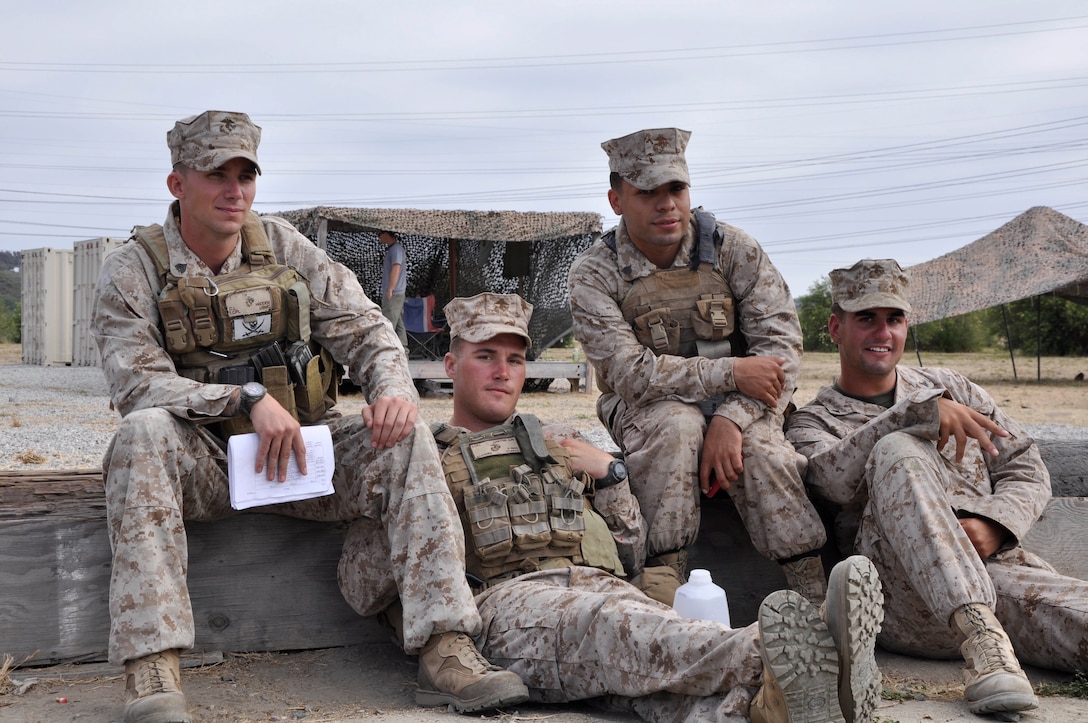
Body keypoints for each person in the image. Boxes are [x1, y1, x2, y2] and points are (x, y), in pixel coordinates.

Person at [91, 110, 528, 723]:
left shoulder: (285, 246)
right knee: (140, 436)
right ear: (177, 184)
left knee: (408, 439)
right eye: (216, 174)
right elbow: (137, 383)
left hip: (302, 455)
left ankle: (445, 647)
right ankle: (152, 668)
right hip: (207, 460)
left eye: (245, 174)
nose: (233, 190)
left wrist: (392, 390)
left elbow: (367, 327)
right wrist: (242, 400)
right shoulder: (132, 269)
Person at [348, 291, 886, 723]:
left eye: (514, 359)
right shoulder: (421, 462)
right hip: (503, 611)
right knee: (611, 628)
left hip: (601, 588)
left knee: (655, 693)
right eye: (484, 356)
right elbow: (361, 584)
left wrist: (610, 476)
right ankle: (796, 648)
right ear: (449, 364)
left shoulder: (557, 444)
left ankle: (773, 707)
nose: (502, 372)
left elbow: (629, 554)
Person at [785, 258, 1088, 716]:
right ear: (835, 327)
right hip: (901, 602)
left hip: (994, 576)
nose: (882, 333)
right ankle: (981, 642)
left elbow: (1024, 463)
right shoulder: (814, 421)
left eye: (894, 319)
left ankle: (991, 644)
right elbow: (832, 481)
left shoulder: (950, 386)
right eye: (866, 318)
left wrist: (995, 524)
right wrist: (915, 414)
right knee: (896, 449)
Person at [567, 128, 829, 604]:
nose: (666, 204)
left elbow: (781, 353)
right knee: (676, 424)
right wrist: (730, 372)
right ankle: (666, 582)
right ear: (617, 199)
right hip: (648, 407)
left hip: (747, 403)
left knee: (763, 452)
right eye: (647, 192)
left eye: (676, 189)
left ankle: (812, 589)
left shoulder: (734, 250)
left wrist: (730, 417)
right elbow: (632, 375)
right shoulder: (595, 273)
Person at [379, 230, 408, 348]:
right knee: (399, 325)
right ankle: (403, 352)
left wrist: (390, 289)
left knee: (388, 325)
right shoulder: (393, 249)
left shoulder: (396, 250)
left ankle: (387, 352)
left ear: (386, 233)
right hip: (395, 293)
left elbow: (396, 268)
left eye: (379, 233)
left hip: (394, 293)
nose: (378, 236)